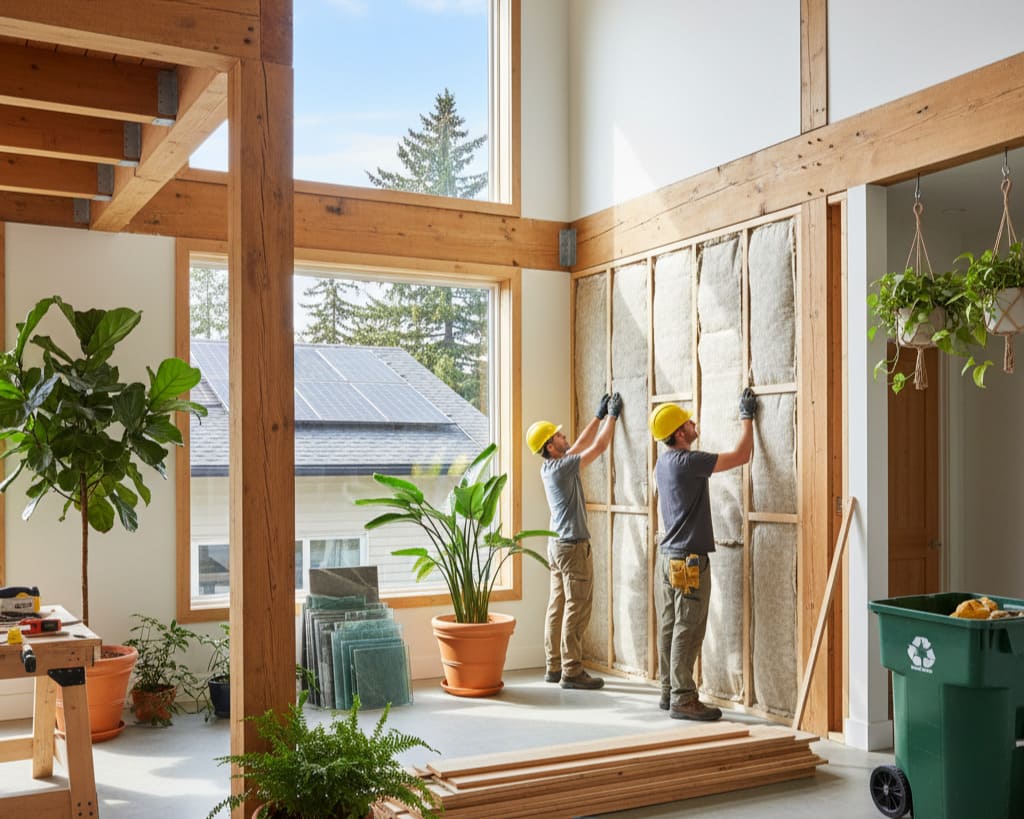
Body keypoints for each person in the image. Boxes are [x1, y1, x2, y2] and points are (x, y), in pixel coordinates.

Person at [648, 387, 757, 720]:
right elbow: (741, 455)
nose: (694, 424)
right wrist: (747, 418)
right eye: (688, 422)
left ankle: (669, 691)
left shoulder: (663, 463)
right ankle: (684, 698)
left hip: (667, 557)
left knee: (669, 624)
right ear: (680, 433)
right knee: (688, 626)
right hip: (688, 560)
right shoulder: (689, 462)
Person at [527, 391, 622, 690]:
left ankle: (553, 665)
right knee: (576, 607)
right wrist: (613, 417)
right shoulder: (562, 467)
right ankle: (572, 670)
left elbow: (580, 445)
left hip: (557, 546)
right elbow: (599, 447)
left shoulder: (552, 467)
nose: (564, 435)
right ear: (550, 446)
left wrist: (597, 416)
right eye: (558, 435)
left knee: (557, 604)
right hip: (572, 546)